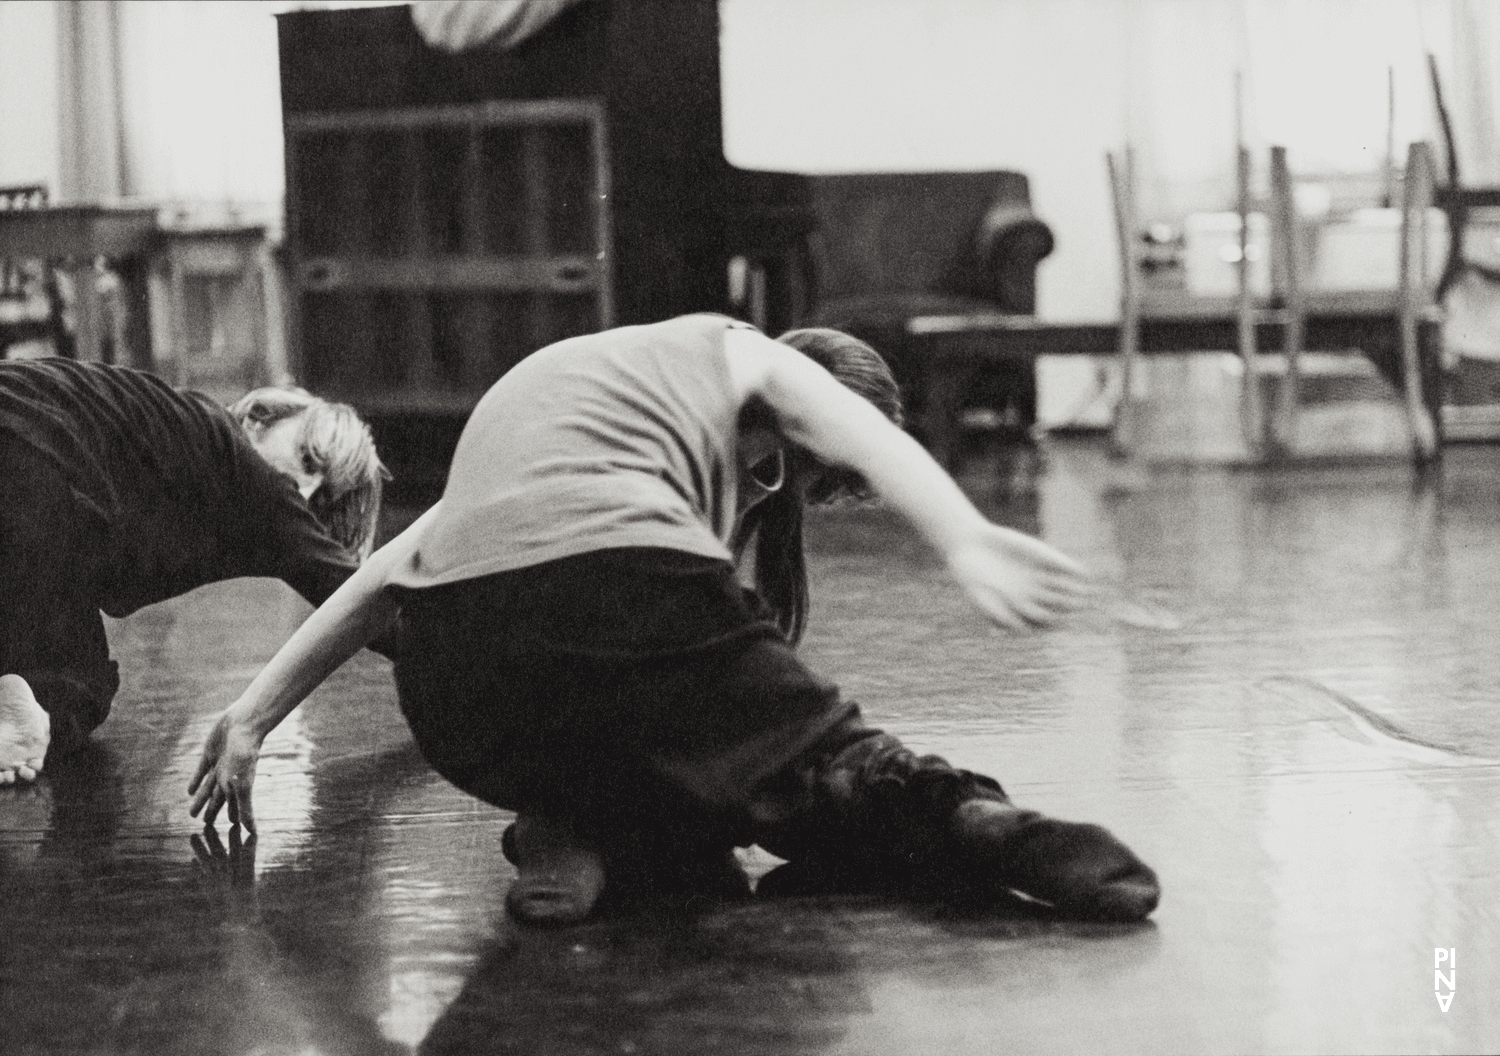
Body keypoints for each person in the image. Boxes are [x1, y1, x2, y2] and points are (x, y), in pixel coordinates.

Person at [188, 314, 1159, 926]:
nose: (779, 492)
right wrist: (961, 533)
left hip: (454, 695)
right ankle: (976, 824)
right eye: (801, 476)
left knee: (683, 759)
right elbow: (823, 402)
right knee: (823, 771)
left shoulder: (590, 402)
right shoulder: (734, 350)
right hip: (616, 595)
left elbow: (380, 579)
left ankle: (571, 827)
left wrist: (251, 715)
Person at [0, 358, 386, 785]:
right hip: (22, 465)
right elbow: (362, 603)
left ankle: (16, 690)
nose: (305, 491)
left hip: (32, 495)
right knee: (57, 681)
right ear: (259, 421)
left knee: (87, 690)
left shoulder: (179, 442)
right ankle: (20, 682)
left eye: (322, 499)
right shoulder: (242, 463)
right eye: (308, 460)